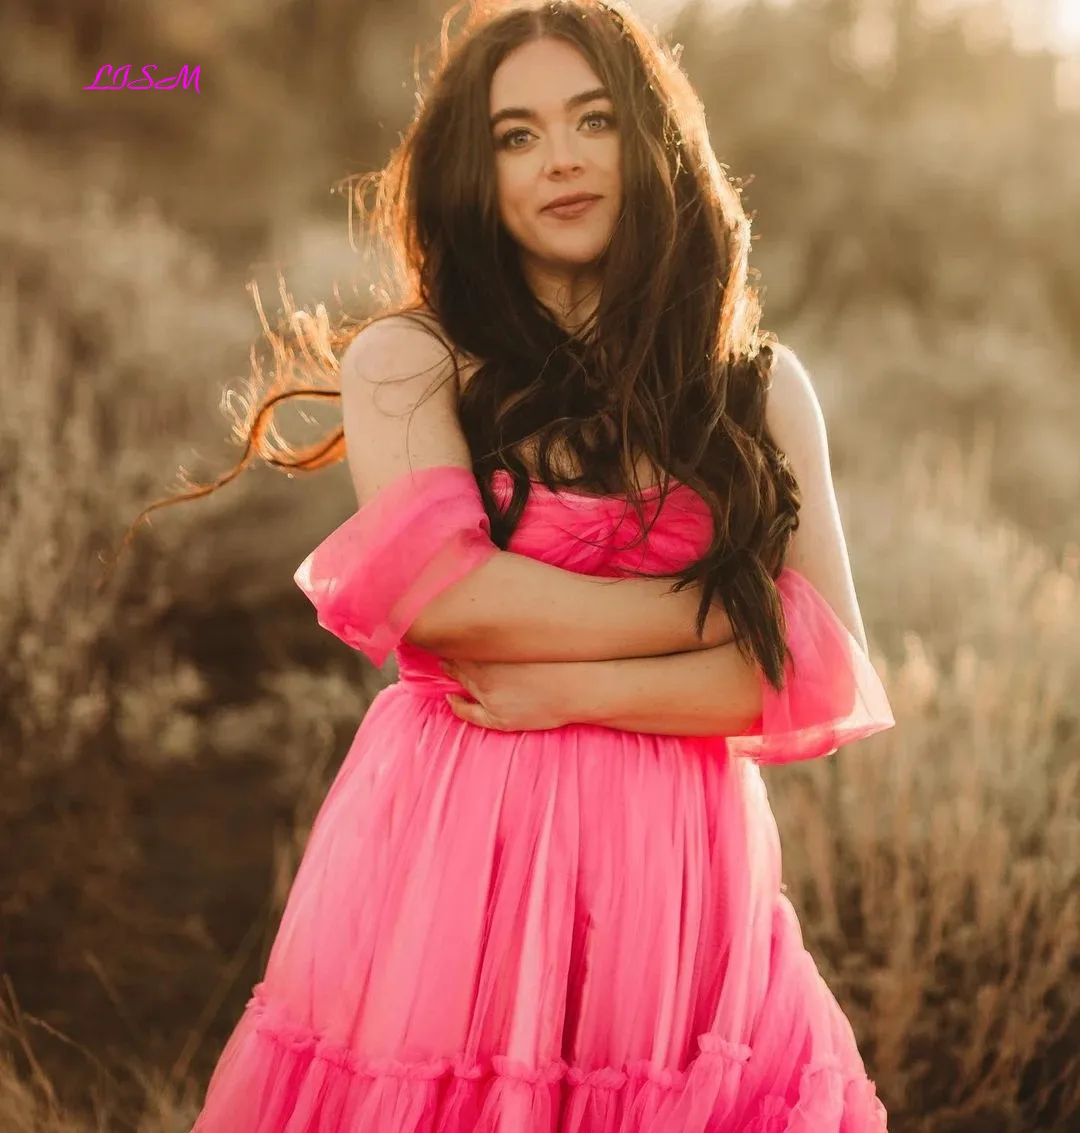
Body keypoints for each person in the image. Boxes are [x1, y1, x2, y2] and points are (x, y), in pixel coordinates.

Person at [142, 1, 897, 1129]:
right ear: (475, 167)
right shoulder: (412, 361)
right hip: (460, 863)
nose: (563, 159)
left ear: (653, 142)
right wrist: (715, 611)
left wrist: (575, 687)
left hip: (679, 889)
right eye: (519, 133)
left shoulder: (755, 384)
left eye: (594, 120)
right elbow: (450, 600)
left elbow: (820, 669)